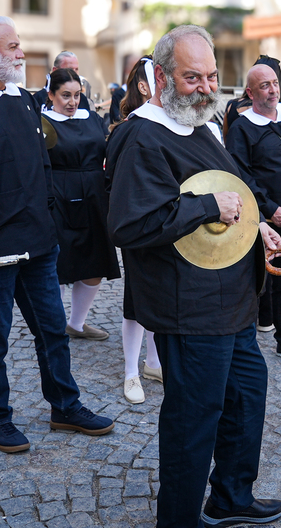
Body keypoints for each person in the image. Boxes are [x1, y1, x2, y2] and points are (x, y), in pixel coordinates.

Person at [107, 24, 281, 528]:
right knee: (193, 420)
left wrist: (260, 224)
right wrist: (207, 205)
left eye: (211, 76)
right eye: (192, 78)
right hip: (188, 308)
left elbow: (236, 190)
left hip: (233, 302)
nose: (206, 88)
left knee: (247, 397)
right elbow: (131, 224)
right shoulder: (141, 136)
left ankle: (230, 497)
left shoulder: (205, 126)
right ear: (161, 78)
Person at [0, 16, 114, 454]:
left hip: (38, 241)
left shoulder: (23, 100)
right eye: (12, 46)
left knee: (52, 330)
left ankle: (64, 406)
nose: (21, 53)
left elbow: (41, 169)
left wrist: (51, 224)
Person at [225, 62, 281, 361]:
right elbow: (241, 177)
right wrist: (271, 210)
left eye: (275, 84)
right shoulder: (241, 129)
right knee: (256, 281)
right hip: (264, 220)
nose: (273, 90)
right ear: (250, 92)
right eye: (264, 86)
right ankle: (243, 341)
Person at [40, 68, 120, 344]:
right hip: (59, 196)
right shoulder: (41, 122)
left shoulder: (93, 119)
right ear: (51, 95)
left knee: (94, 263)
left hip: (95, 196)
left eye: (77, 95)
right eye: (65, 95)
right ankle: (53, 326)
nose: (72, 102)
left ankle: (76, 323)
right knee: (59, 265)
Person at [106, 57, 163, 404]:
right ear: (143, 87)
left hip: (169, 222)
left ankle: (155, 362)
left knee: (160, 293)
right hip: (139, 223)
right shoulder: (129, 127)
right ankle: (131, 371)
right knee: (137, 298)